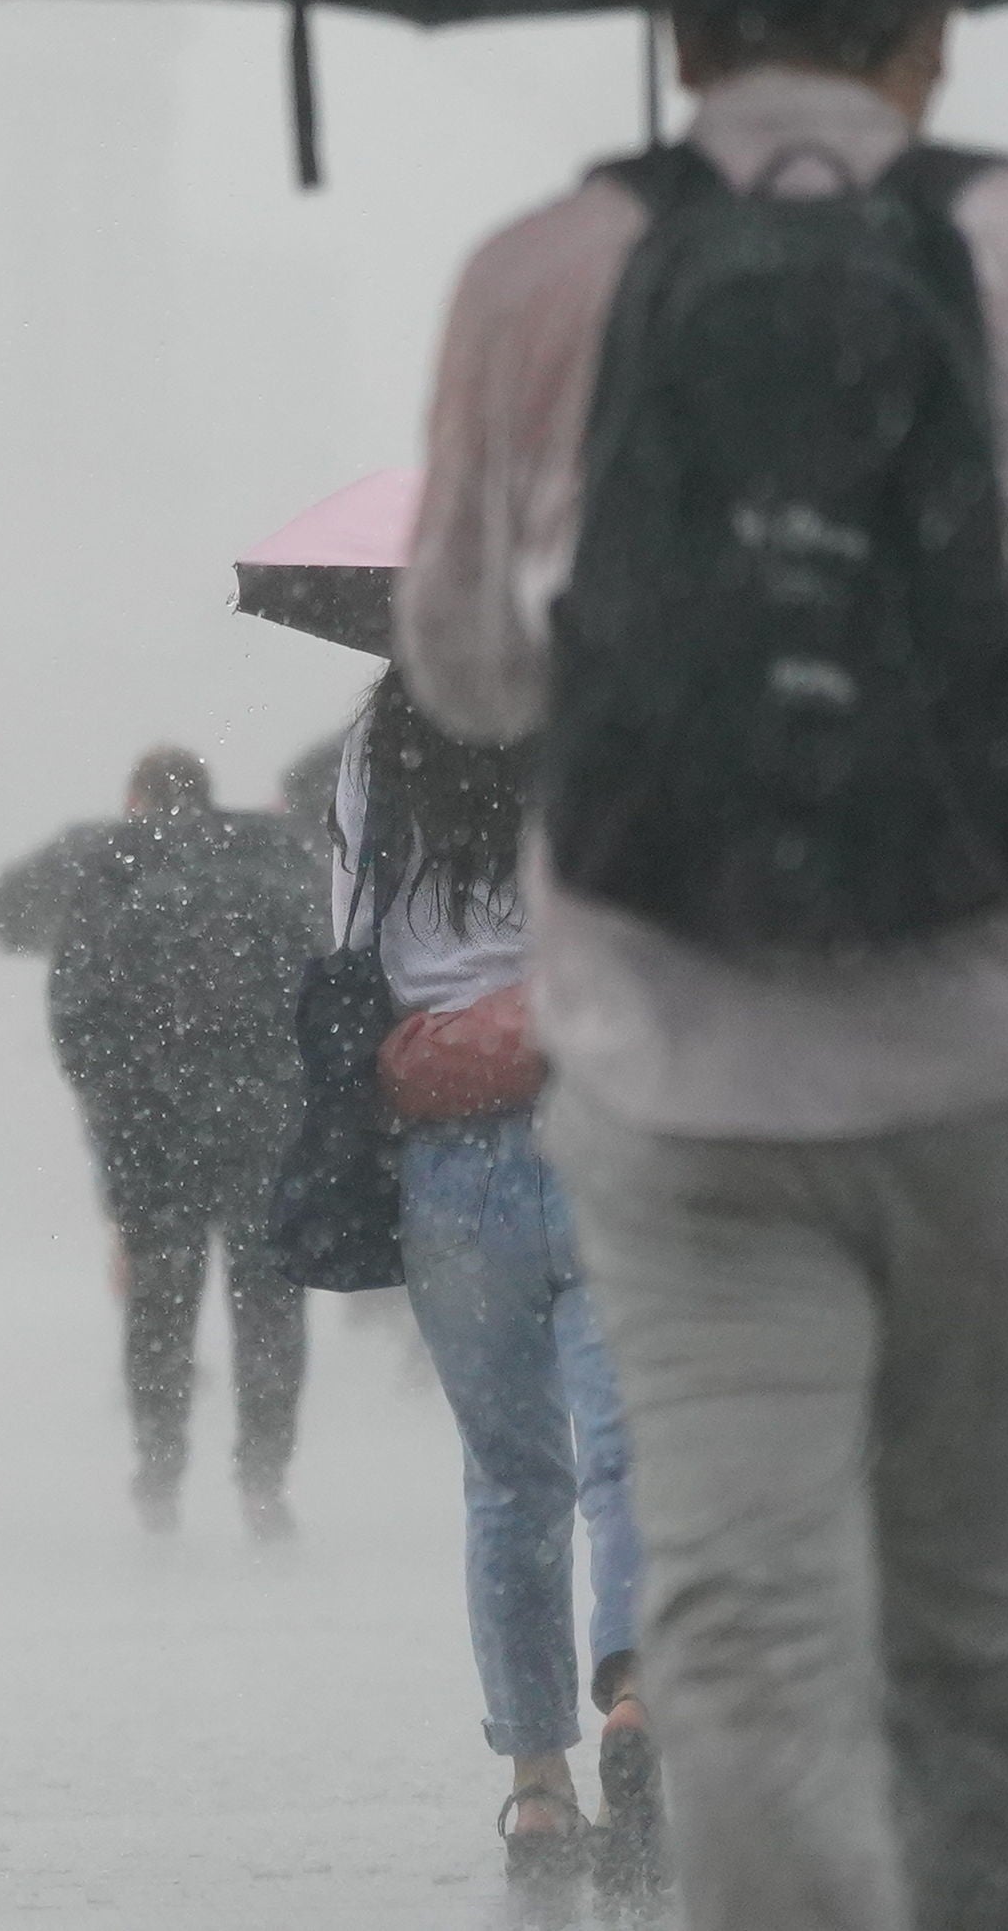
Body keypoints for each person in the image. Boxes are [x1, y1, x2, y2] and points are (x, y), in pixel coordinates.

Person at [401, 0, 1008, 1931]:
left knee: (748, 1634)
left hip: (683, 1077)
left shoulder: (537, 277)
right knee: (979, 1645)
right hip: (1006, 1060)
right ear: (936, 33)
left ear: (679, 27)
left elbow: (457, 663)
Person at [331, 669, 653, 1898]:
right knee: (631, 1446)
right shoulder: (599, 706)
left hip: (447, 1141)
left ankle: (534, 1783)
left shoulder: (380, 733)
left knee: (510, 1479)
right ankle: (633, 1687)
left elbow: (344, 931)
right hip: (605, 1120)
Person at [0, 745, 321, 1536]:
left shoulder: (108, 867)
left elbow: (74, 1004)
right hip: (265, 1118)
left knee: (160, 1304)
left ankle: (161, 1469)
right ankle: (264, 1476)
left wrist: (108, 1094)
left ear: (137, 797)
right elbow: (320, 985)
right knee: (269, 1300)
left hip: (152, 1129)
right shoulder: (273, 861)